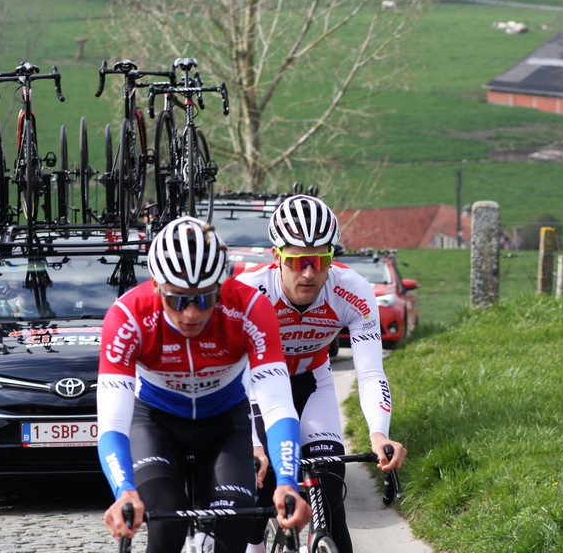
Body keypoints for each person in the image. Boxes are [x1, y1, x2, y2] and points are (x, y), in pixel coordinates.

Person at [97, 216, 311, 553]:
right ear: (156, 287)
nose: (192, 313)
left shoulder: (251, 308)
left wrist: (287, 482)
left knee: (235, 523)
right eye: (177, 299)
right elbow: (112, 423)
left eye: (205, 298)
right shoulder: (128, 317)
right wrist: (124, 489)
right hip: (157, 425)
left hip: (225, 424)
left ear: (220, 288)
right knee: (165, 522)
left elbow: (278, 405)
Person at [237, 194, 408, 553]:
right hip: (257, 387)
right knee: (259, 486)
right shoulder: (251, 291)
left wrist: (379, 435)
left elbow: (370, 372)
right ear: (277, 257)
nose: (310, 273)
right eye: (298, 261)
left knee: (330, 491)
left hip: (314, 381)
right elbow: (232, 370)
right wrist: (252, 444)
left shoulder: (353, 291)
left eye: (320, 260)